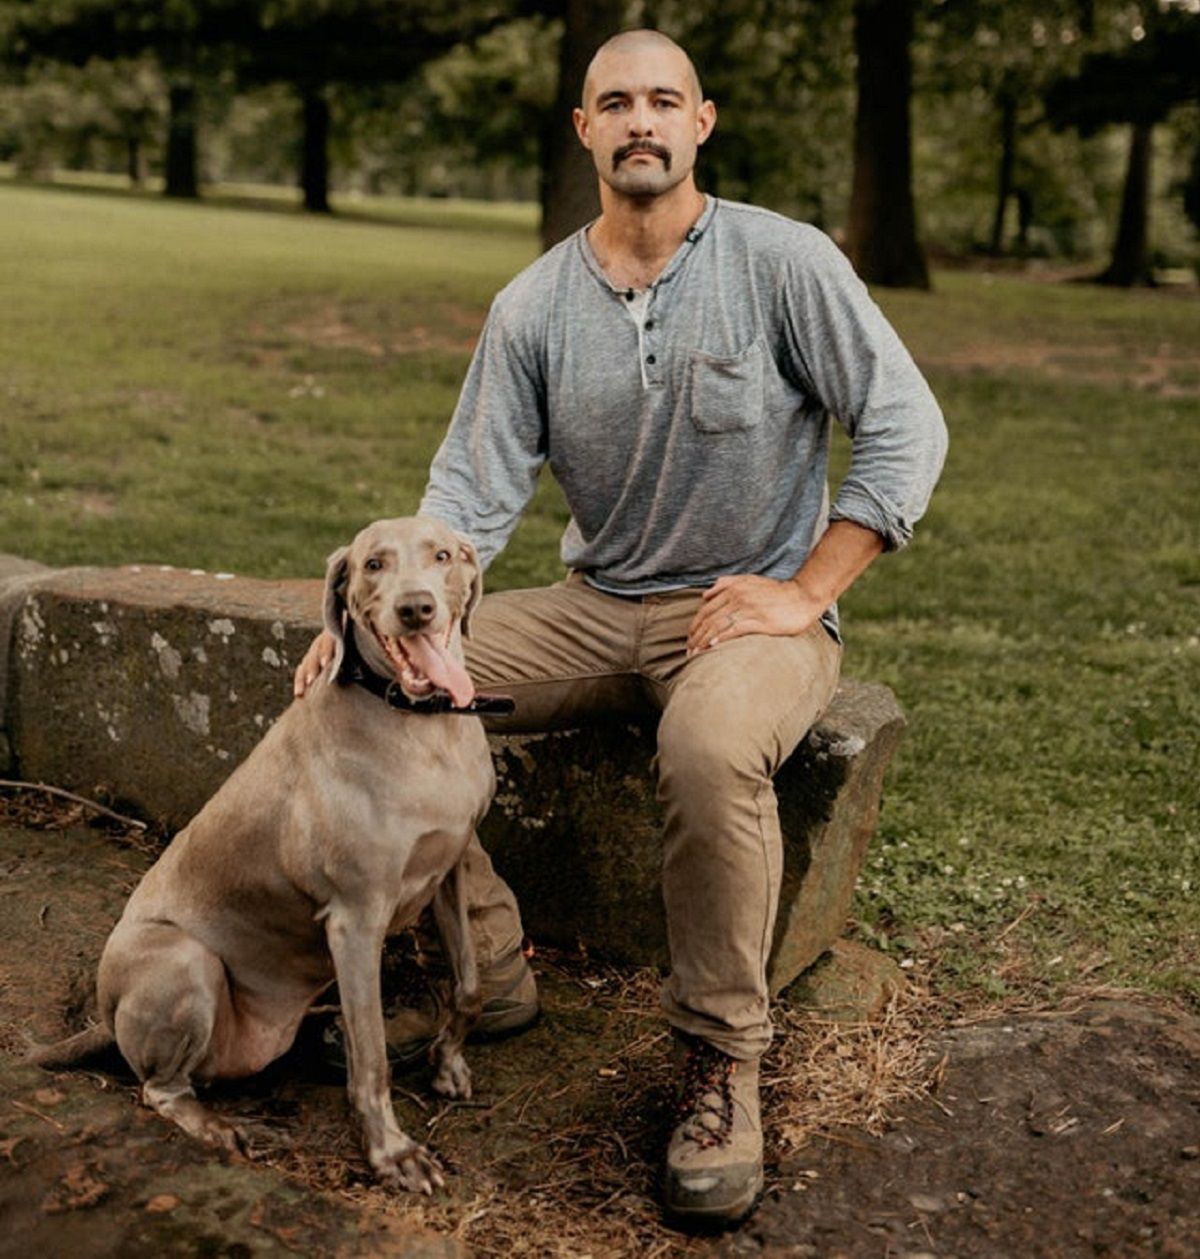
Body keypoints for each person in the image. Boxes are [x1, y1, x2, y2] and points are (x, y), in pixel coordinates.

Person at [296, 28, 947, 1226]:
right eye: (615, 103)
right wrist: (384, 622)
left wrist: (804, 593)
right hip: (598, 606)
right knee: (369, 685)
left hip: (747, 615)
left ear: (702, 122)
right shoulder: (536, 302)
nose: (640, 120)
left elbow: (908, 427)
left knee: (705, 751)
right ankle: (486, 964)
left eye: (664, 100)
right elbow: (469, 496)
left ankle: (719, 1063)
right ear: (584, 129)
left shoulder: (782, 262)